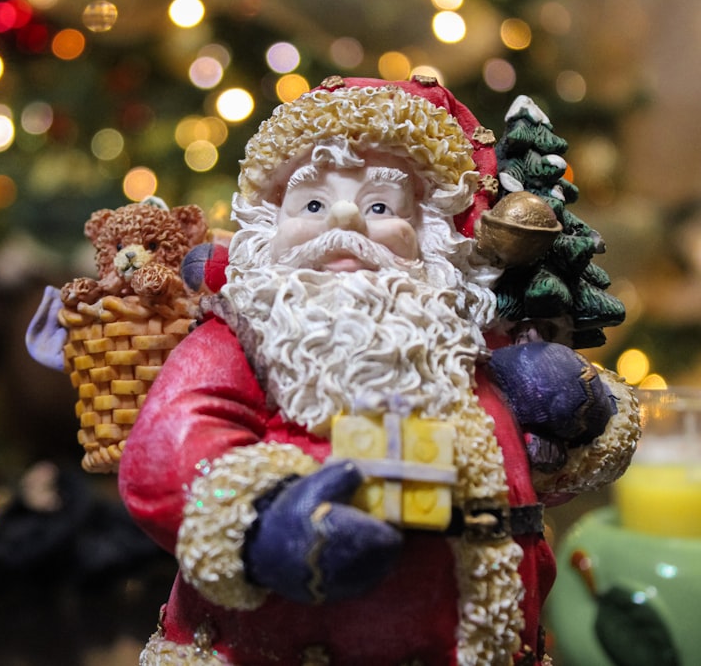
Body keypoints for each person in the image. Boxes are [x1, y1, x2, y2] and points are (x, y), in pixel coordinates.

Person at [117, 76, 639, 665]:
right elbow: (168, 446)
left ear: (432, 235)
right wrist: (263, 525)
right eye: (312, 203)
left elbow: (539, 478)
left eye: (380, 205)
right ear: (266, 230)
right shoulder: (239, 336)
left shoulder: (463, 340)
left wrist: (582, 413)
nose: (344, 218)